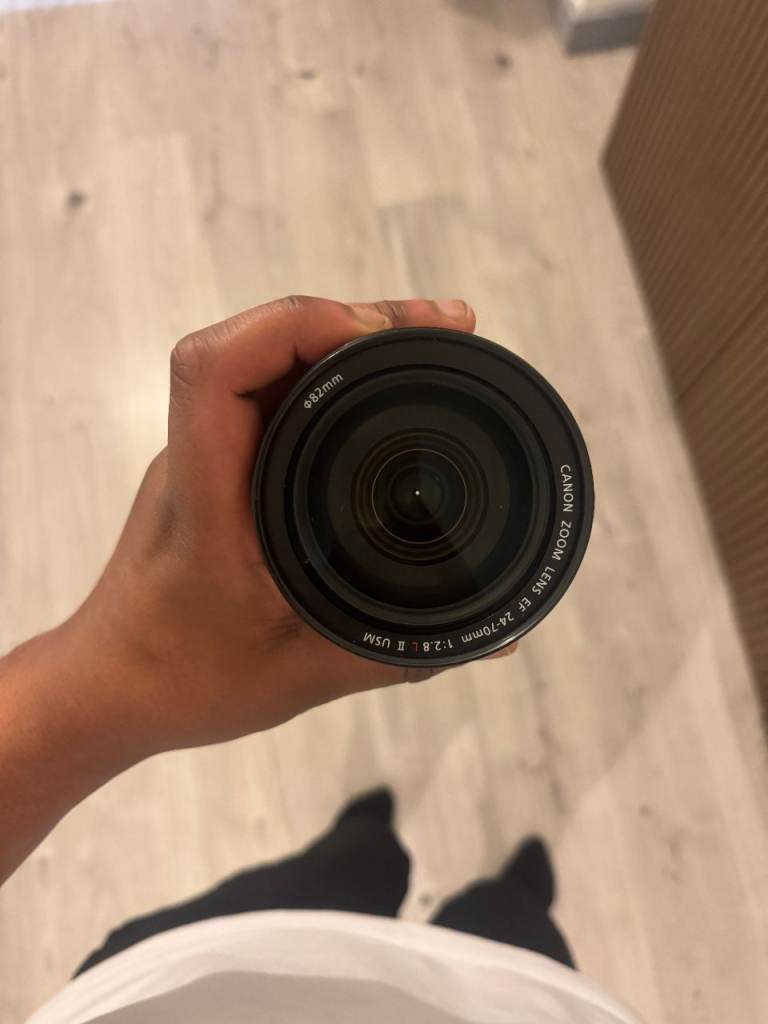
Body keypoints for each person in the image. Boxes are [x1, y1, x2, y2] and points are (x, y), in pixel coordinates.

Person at [0, 296, 641, 1023]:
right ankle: (507, 896)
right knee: (514, 932)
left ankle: (366, 840)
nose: (417, 496)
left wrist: (95, 689)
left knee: (350, 869)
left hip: (197, 977)